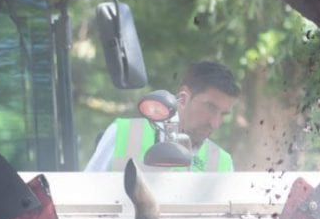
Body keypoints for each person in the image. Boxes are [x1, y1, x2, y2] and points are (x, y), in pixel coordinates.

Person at [85, 60, 239, 172]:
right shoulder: (123, 133)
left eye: (223, 114)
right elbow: (84, 200)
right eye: (210, 107)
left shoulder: (223, 163)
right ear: (183, 98)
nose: (215, 123)